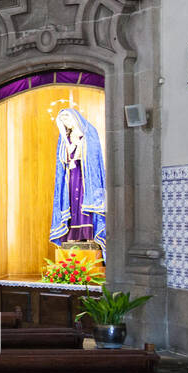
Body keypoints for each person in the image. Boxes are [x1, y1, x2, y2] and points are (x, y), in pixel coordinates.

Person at [50, 107, 107, 259]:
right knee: (73, 204)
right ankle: (73, 237)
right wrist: (72, 147)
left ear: (75, 118)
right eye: (63, 121)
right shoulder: (64, 138)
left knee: (85, 204)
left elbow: (94, 157)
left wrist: (80, 145)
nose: (66, 123)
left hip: (87, 177)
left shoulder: (89, 133)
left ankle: (89, 237)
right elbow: (62, 159)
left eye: (67, 119)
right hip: (72, 176)